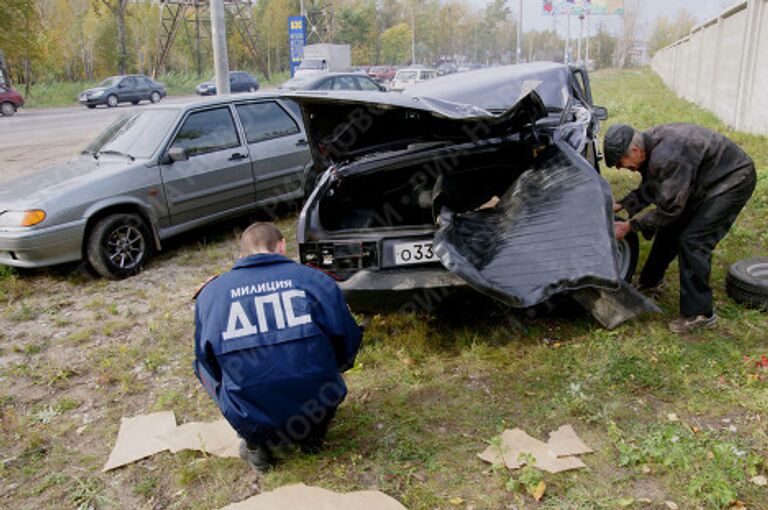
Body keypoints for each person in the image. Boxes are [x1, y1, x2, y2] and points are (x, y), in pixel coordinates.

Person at [193, 223, 362, 472]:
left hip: (249, 414)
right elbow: (348, 341)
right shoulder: (316, 281)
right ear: (282, 246)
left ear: (242, 253)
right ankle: (312, 435)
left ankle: (256, 444)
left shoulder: (212, 294)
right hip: (317, 404)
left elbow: (205, 360)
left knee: (201, 365)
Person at [604, 123, 756, 334]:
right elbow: (656, 185)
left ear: (636, 151)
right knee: (670, 230)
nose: (622, 169)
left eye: (621, 163)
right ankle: (650, 282)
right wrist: (624, 204)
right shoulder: (651, 145)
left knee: (694, 240)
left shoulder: (668, 157)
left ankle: (701, 315)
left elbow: (669, 209)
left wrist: (630, 226)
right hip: (702, 178)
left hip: (731, 180)